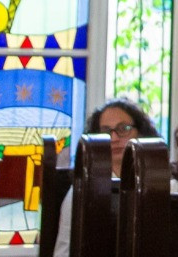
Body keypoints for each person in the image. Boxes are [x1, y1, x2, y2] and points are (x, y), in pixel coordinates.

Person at [54, 98, 161, 257]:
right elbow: (63, 251)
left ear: (140, 132)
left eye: (123, 128)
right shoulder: (82, 189)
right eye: (105, 131)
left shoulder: (160, 183)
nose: (114, 138)